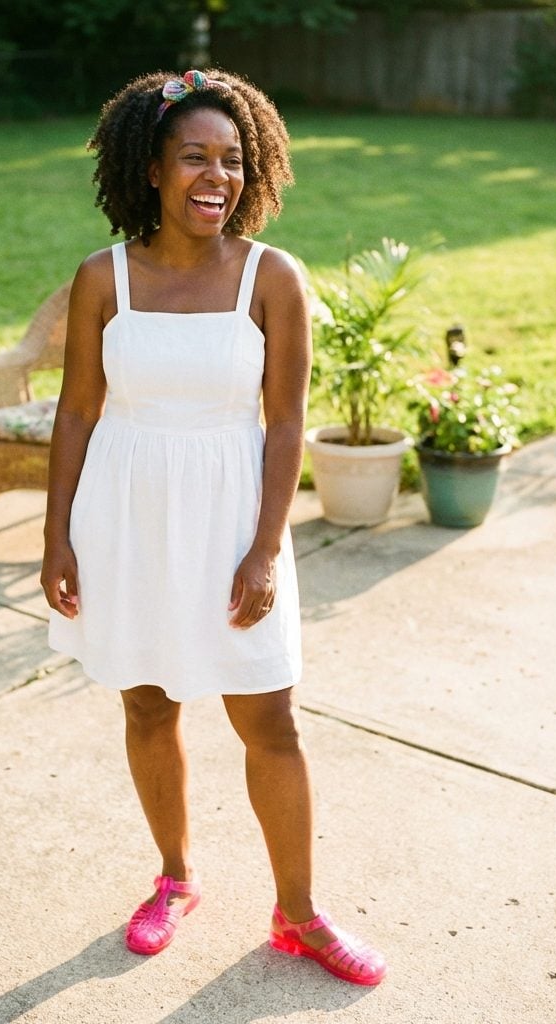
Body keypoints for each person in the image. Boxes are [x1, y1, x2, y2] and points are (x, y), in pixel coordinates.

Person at [41, 68, 386, 987]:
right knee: (147, 703)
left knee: (269, 720)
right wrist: (57, 537)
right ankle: (176, 879)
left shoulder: (272, 277)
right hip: (127, 518)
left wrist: (267, 548)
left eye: (233, 160)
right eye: (195, 156)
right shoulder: (101, 278)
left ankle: (300, 916)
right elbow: (76, 413)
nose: (217, 177)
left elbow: (284, 425)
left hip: (235, 519)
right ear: (151, 167)